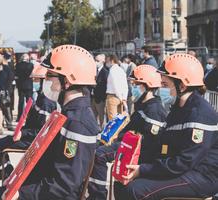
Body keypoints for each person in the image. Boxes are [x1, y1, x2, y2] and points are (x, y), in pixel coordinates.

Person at [0, 44, 99, 200]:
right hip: (38, 187)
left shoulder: (78, 123)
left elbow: (65, 184)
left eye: (50, 75)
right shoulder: (68, 113)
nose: (46, 80)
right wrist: (17, 179)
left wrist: (22, 194)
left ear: (67, 81)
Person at [115, 53, 218, 200]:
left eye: (166, 84)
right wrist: (138, 161)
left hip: (201, 176)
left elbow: (184, 161)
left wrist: (143, 170)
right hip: (183, 170)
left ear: (182, 85)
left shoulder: (200, 114)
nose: (162, 88)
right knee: (122, 182)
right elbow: (163, 144)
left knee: (136, 190)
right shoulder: (178, 108)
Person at [87, 65, 167, 200]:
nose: (133, 88)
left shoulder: (154, 110)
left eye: (136, 84)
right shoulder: (143, 104)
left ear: (146, 85)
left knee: (100, 155)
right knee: (94, 146)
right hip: (126, 143)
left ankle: (97, 196)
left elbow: (150, 141)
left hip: (135, 148)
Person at [0, 64, 57, 180]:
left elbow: (42, 131)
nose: (33, 82)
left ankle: (7, 177)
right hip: (27, 134)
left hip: (32, 140)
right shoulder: (41, 97)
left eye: (36, 79)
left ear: (44, 81)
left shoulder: (46, 102)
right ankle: (8, 175)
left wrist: (23, 133)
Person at [105, 54, 128, 121]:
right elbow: (125, 85)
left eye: (107, 61)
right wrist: (124, 98)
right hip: (120, 97)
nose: (107, 63)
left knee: (112, 120)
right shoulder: (121, 70)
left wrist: (121, 98)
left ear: (112, 61)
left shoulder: (112, 70)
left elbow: (115, 85)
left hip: (113, 96)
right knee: (119, 119)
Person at [92, 54, 109, 129]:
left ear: (103, 61)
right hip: (93, 97)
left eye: (97, 61)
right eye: (95, 60)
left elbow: (105, 86)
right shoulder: (93, 70)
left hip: (100, 99)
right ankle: (94, 130)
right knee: (93, 116)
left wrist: (103, 98)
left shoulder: (105, 72)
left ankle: (103, 131)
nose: (96, 62)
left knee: (102, 117)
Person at [15, 54, 34, 121]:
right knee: (29, 101)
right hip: (28, 84)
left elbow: (16, 75)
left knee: (21, 101)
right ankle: (30, 116)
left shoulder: (18, 65)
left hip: (20, 85)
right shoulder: (31, 65)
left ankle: (19, 117)